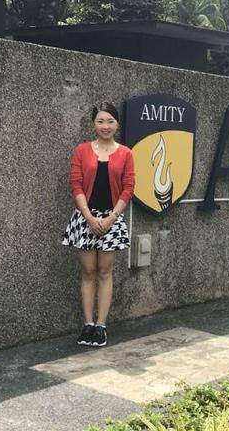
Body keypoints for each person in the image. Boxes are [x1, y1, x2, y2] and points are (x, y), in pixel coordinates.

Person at [61, 102, 135, 347]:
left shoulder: (126, 153)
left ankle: (101, 325)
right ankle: (88, 324)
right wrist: (89, 217)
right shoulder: (82, 150)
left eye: (110, 121)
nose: (105, 126)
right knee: (88, 271)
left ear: (117, 124)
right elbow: (76, 184)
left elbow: (128, 188)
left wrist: (111, 218)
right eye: (101, 121)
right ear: (94, 124)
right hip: (85, 218)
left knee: (105, 271)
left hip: (111, 217)